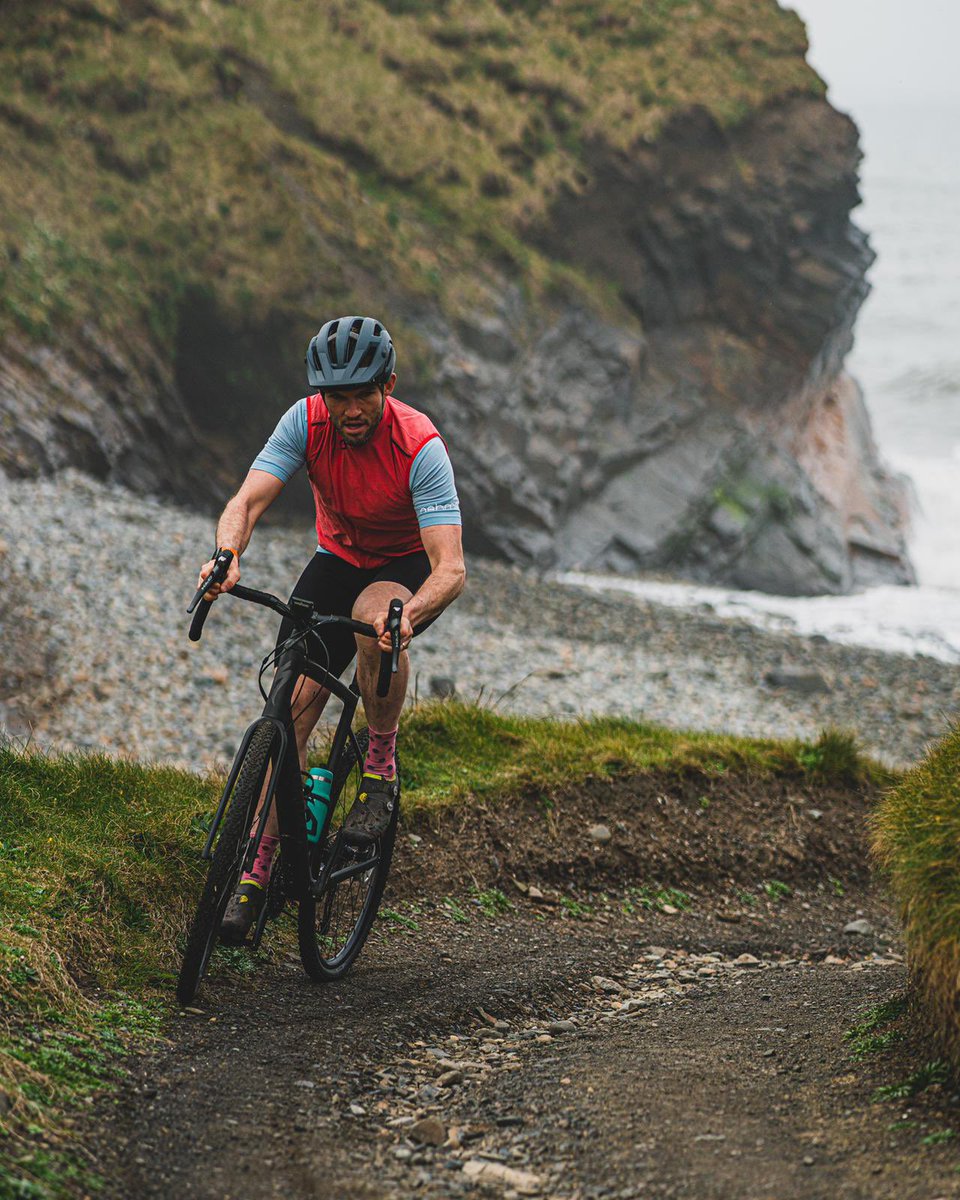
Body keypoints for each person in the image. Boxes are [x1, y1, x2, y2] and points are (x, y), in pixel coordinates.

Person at [196, 315, 466, 942]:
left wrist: (409, 618)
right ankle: (255, 873)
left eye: (360, 395)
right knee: (289, 704)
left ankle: (379, 765)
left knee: (376, 623)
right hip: (335, 559)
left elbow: (450, 567)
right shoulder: (305, 420)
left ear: (388, 386)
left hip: (399, 565)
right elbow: (247, 500)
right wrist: (228, 553)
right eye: (335, 396)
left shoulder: (420, 446)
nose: (347, 410)